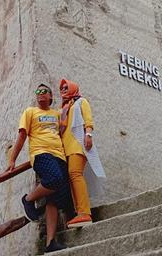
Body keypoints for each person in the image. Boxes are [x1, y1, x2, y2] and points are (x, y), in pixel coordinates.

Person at [8, 84, 70, 253]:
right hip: (41, 153)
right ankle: (28, 199)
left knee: (55, 200)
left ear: (50, 96)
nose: (40, 94)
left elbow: (62, 129)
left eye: (44, 92)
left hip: (60, 155)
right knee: (54, 179)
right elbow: (22, 135)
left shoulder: (55, 114)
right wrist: (12, 159)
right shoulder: (30, 112)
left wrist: (66, 106)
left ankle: (50, 243)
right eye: (38, 92)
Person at [59, 78, 106, 229]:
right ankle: (79, 212)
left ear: (73, 88)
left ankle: (84, 213)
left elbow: (88, 119)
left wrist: (88, 135)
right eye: (62, 88)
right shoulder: (64, 108)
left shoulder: (81, 102)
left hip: (78, 144)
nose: (64, 90)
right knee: (73, 178)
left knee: (75, 174)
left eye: (66, 87)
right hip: (66, 148)